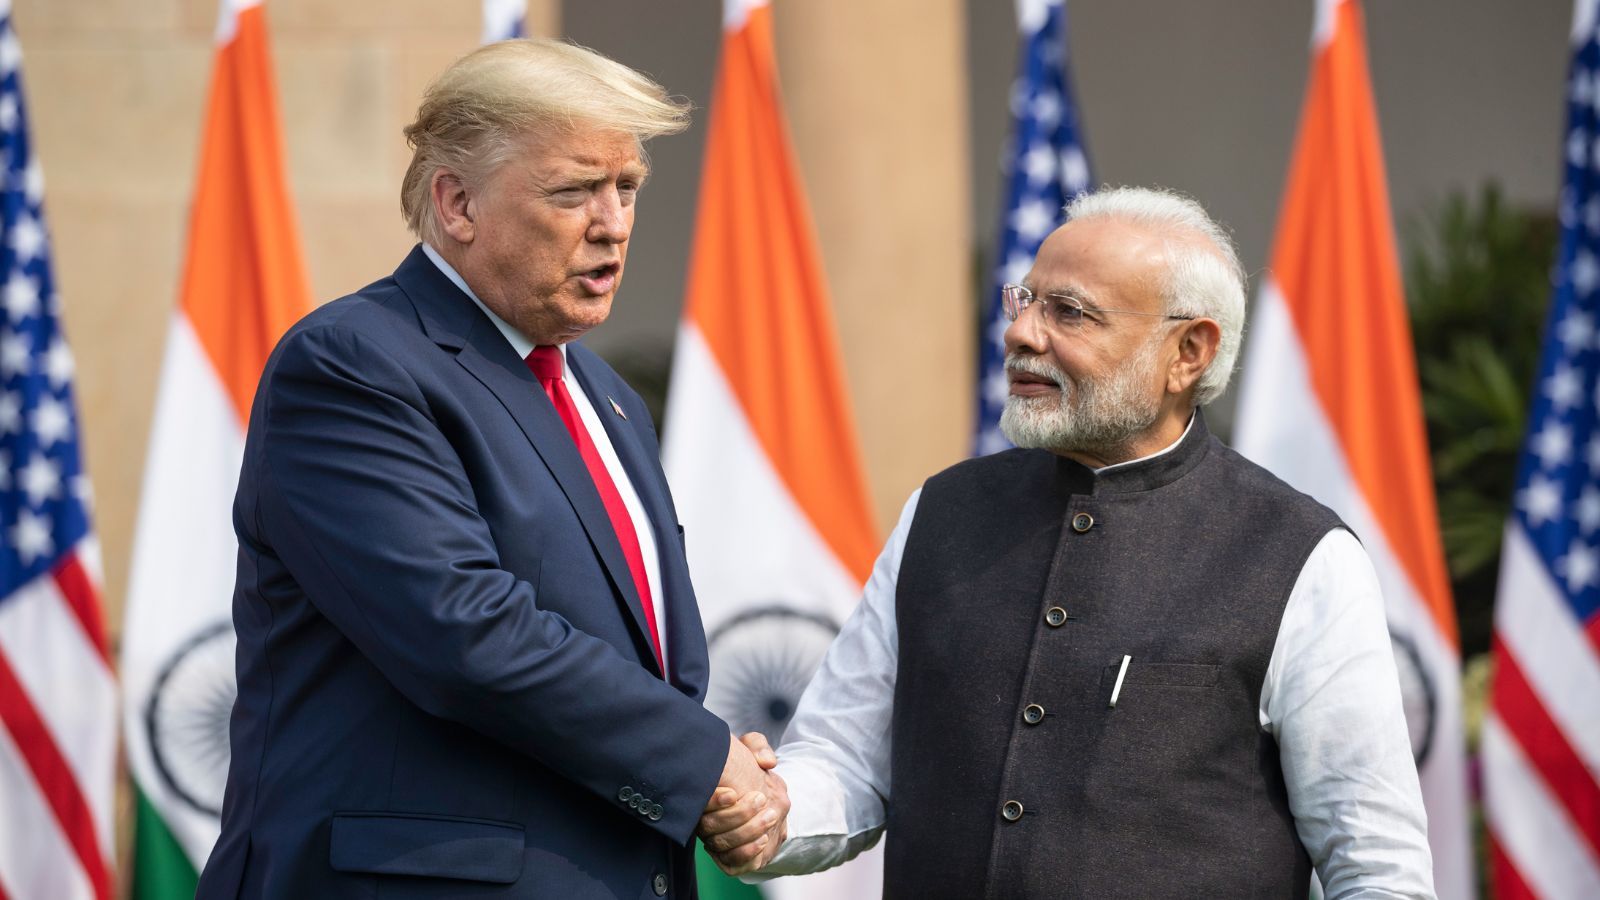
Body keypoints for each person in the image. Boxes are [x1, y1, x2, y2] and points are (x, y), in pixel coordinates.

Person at [700, 187, 1437, 899]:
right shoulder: (944, 512)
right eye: (1023, 301)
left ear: (1189, 352)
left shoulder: (1300, 556)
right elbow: (844, 759)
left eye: (1070, 313)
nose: (1022, 334)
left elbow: (1374, 864)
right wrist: (770, 812)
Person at [195, 39, 785, 900]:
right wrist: (702, 762)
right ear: (457, 201)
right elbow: (463, 631)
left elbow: (627, 656)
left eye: (626, 188)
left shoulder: (604, 394)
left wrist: (709, 756)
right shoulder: (352, 364)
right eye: (574, 190)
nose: (613, 222)